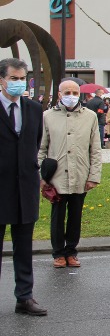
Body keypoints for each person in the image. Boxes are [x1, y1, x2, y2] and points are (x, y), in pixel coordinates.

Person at [0, 58, 47, 316]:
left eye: (22, 79)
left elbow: (34, 143)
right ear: (2, 80)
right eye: (13, 79)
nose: (18, 83)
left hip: (25, 186)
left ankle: (25, 297)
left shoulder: (33, 109)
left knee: (24, 246)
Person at [38, 80, 102, 269]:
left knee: (76, 216)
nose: (71, 96)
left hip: (80, 174)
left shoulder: (90, 116)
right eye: (67, 92)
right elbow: (41, 148)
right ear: (59, 94)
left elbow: (95, 149)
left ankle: (71, 251)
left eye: (75, 92)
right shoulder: (47, 116)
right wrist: (41, 176)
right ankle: (58, 253)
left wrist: (94, 176)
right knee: (57, 217)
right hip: (56, 176)